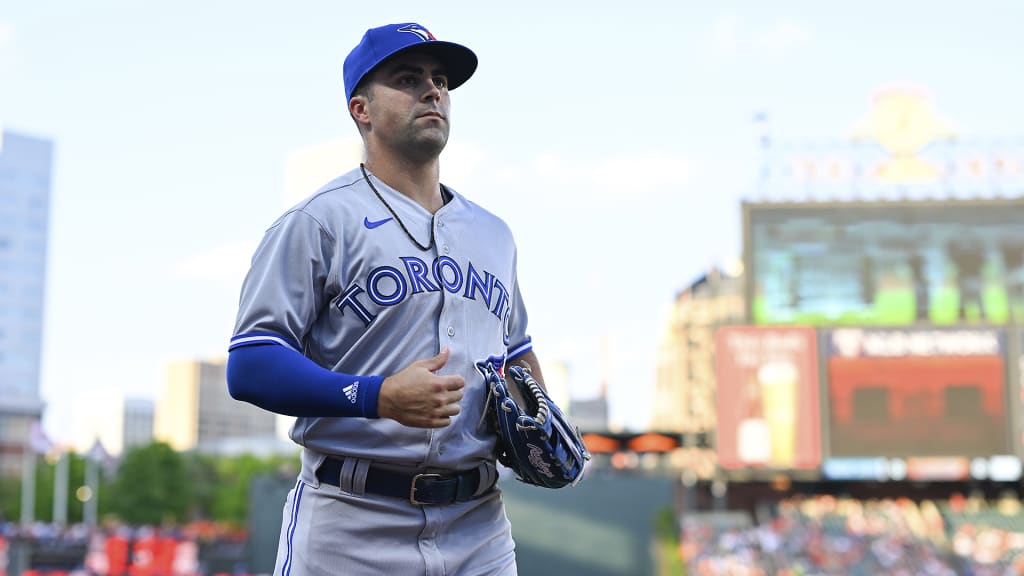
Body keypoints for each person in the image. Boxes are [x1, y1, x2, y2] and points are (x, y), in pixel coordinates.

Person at [226, 22, 543, 575]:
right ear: (361, 110)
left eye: (440, 80)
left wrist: (539, 418)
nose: (432, 91)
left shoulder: (495, 234)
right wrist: (377, 396)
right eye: (407, 78)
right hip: (350, 522)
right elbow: (251, 362)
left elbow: (516, 353)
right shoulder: (318, 222)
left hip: (480, 526)